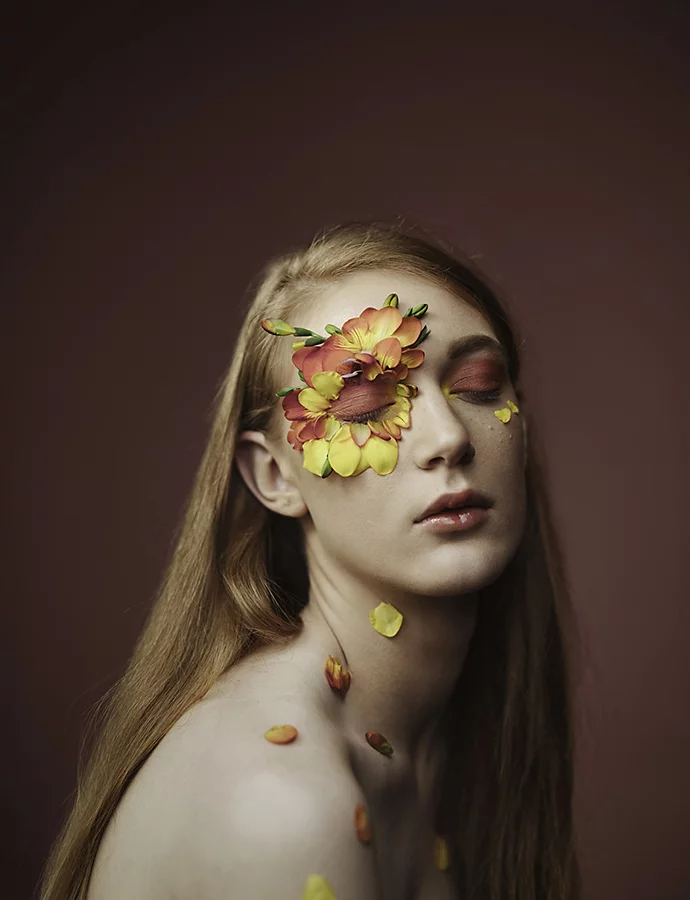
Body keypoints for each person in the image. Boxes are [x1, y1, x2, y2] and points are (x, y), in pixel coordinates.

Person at [40, 221, 582, 900]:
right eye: (363, 402)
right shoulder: (281, 801)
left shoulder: (445, 754)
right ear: (274, 477)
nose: (447, 437)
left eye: (477, 385)